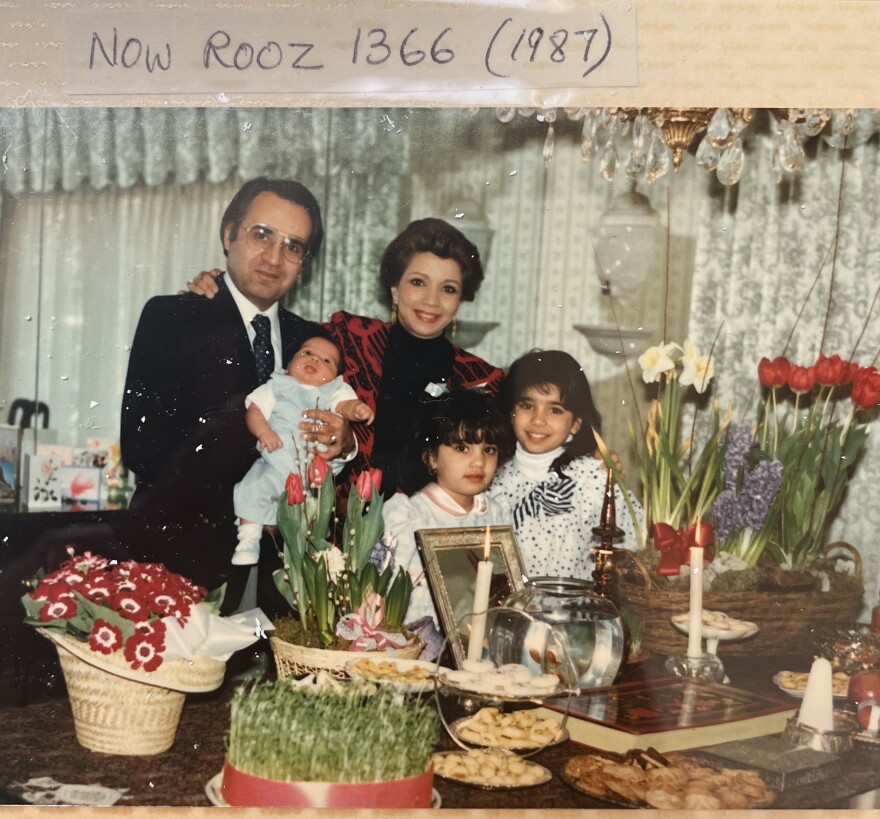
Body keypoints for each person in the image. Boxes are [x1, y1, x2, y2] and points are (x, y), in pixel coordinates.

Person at [118, 177, 355, 596]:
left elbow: (336, 428)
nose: (274, 257)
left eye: (293, 246)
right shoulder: (173, 317)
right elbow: (143, 447)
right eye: (261, 234)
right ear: (228, 234)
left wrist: (344, 440)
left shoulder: (313, 340)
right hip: (182, 562)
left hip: (282, 572)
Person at [187, 217, 504, 496]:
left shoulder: (480, 380)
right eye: (418, 282)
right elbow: (264, 339)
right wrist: (223, 295)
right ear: (394, 289)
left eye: (448, 288)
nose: (431, 301)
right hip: (334, 541)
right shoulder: (347, 339)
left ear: (461, 298)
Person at [377, 389, 515, 660]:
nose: (478, 461)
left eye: (489, 450)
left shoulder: (497, 513)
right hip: (415, 650)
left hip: (478, 648)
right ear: (430, 457)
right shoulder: (410, 515)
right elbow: (384, 593)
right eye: (462, 448)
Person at [490, 350, 642, 581]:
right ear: (512, 411)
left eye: (555, 410)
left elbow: (633, 546)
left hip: (574, 610)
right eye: (527, 406)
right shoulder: (492, 476)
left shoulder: (593, 477)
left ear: (576, 424)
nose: (538, 420)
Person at [232, 335, 373, 566]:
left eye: (326, 361)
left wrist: (355, 408)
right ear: (288, 365)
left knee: (315, 513)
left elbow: (344, 406)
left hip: (316, 471)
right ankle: (248, 539)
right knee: (253, 487)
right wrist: (264, 432)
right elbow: (255, 411)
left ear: (335, 376)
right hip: (276, 463)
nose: (315, 360)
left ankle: (311, 546)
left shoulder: (335, 390)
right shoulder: (277, 385)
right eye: (306, 354)